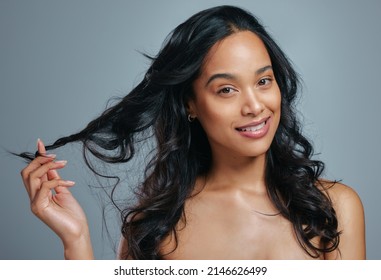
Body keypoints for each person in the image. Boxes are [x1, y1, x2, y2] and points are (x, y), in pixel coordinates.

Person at [18, 5, 365, 260]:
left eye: (263, 81)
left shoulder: (334, 209)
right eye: (226, 89)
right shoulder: (154, 228)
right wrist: (76, 241)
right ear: (190, 105)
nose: (255, 106)